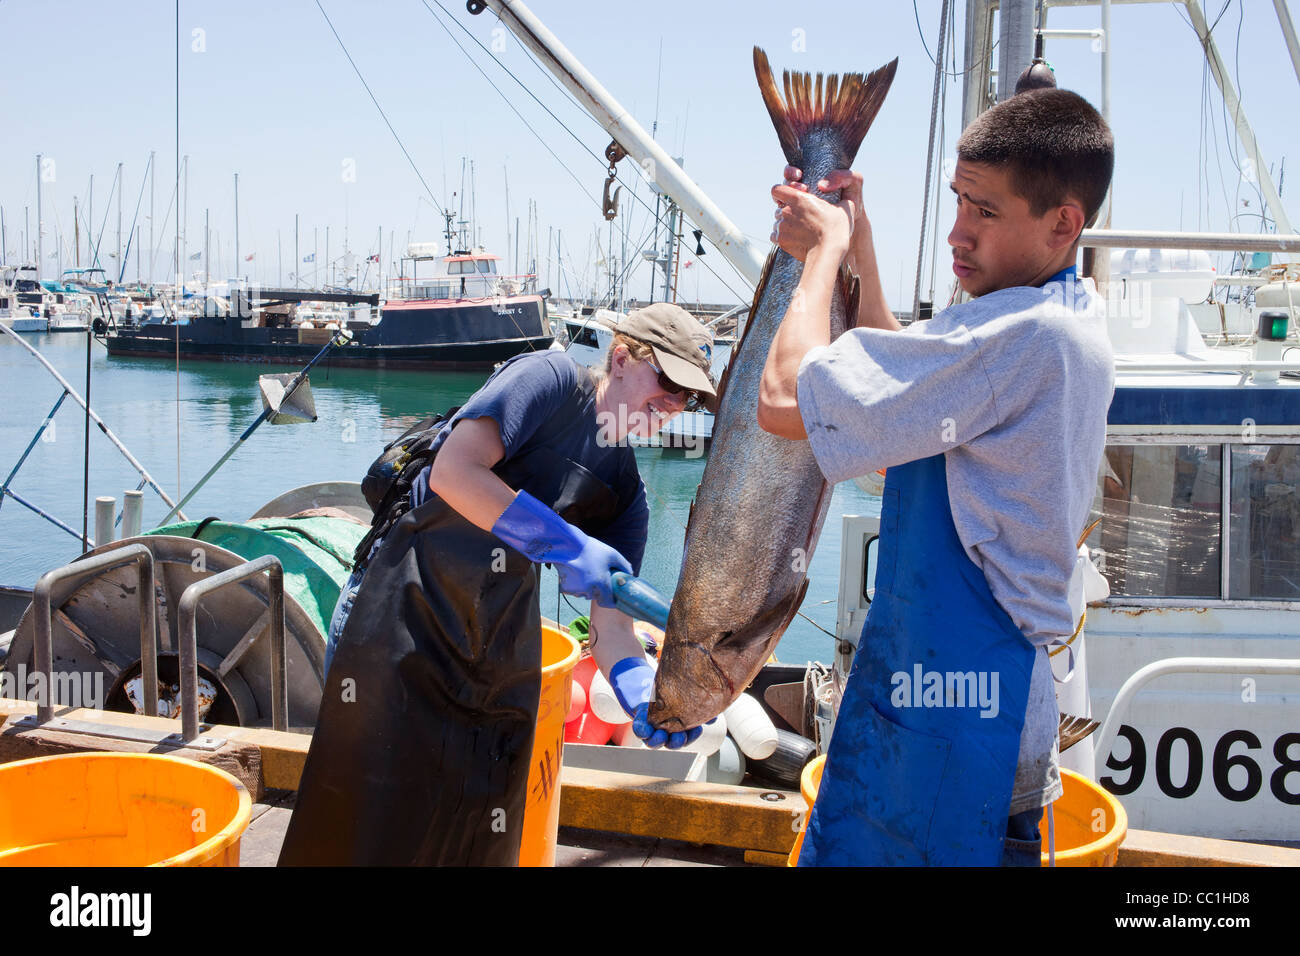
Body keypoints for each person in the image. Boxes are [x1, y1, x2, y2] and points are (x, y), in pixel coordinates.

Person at [757, 87, 1115, 866]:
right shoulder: (1063, 320)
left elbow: (784, 399)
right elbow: (906, 406)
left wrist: (819, 257)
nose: (958, 232)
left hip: (956, 751)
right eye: (958, 201)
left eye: (985, 212)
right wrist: (862, 252)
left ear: (1064, 221)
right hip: (973, 719)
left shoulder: (1020, 338)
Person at [278, 303, 716, 866]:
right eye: (669, 382)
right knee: (367, 808)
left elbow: (612, 627)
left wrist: (643, 694)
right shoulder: (549, 380)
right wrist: (566, 544)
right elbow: (454, 472)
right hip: (398, 613)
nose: (675, 405)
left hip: (490, 645)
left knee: (471, 817)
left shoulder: (626, 495)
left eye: (690, 397)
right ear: (623, 356)